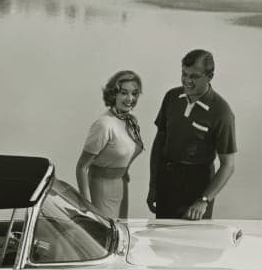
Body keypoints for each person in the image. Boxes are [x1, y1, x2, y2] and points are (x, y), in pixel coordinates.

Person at [146, 49, 236, 220]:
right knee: (162, 241)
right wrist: (153, 185)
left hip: (198, 186)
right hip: (167, 180)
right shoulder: (171, 97)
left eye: (194, 76)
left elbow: (228, 166)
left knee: (194, 242)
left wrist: (203, 200)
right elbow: (159, 143)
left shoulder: (222, 112)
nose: (187, 81)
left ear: (210, 77)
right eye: (184, 74)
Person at [75, 70, 145, 218]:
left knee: (120, 233)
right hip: (101, 189)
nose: (130, 98)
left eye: (134, 93)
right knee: (103, 234)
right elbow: (81, 167)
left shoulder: (131, 120)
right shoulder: (104, 124)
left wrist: (124, 174)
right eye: (124, 93)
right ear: (114, 94)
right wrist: (87, 206)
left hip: (121, 185)